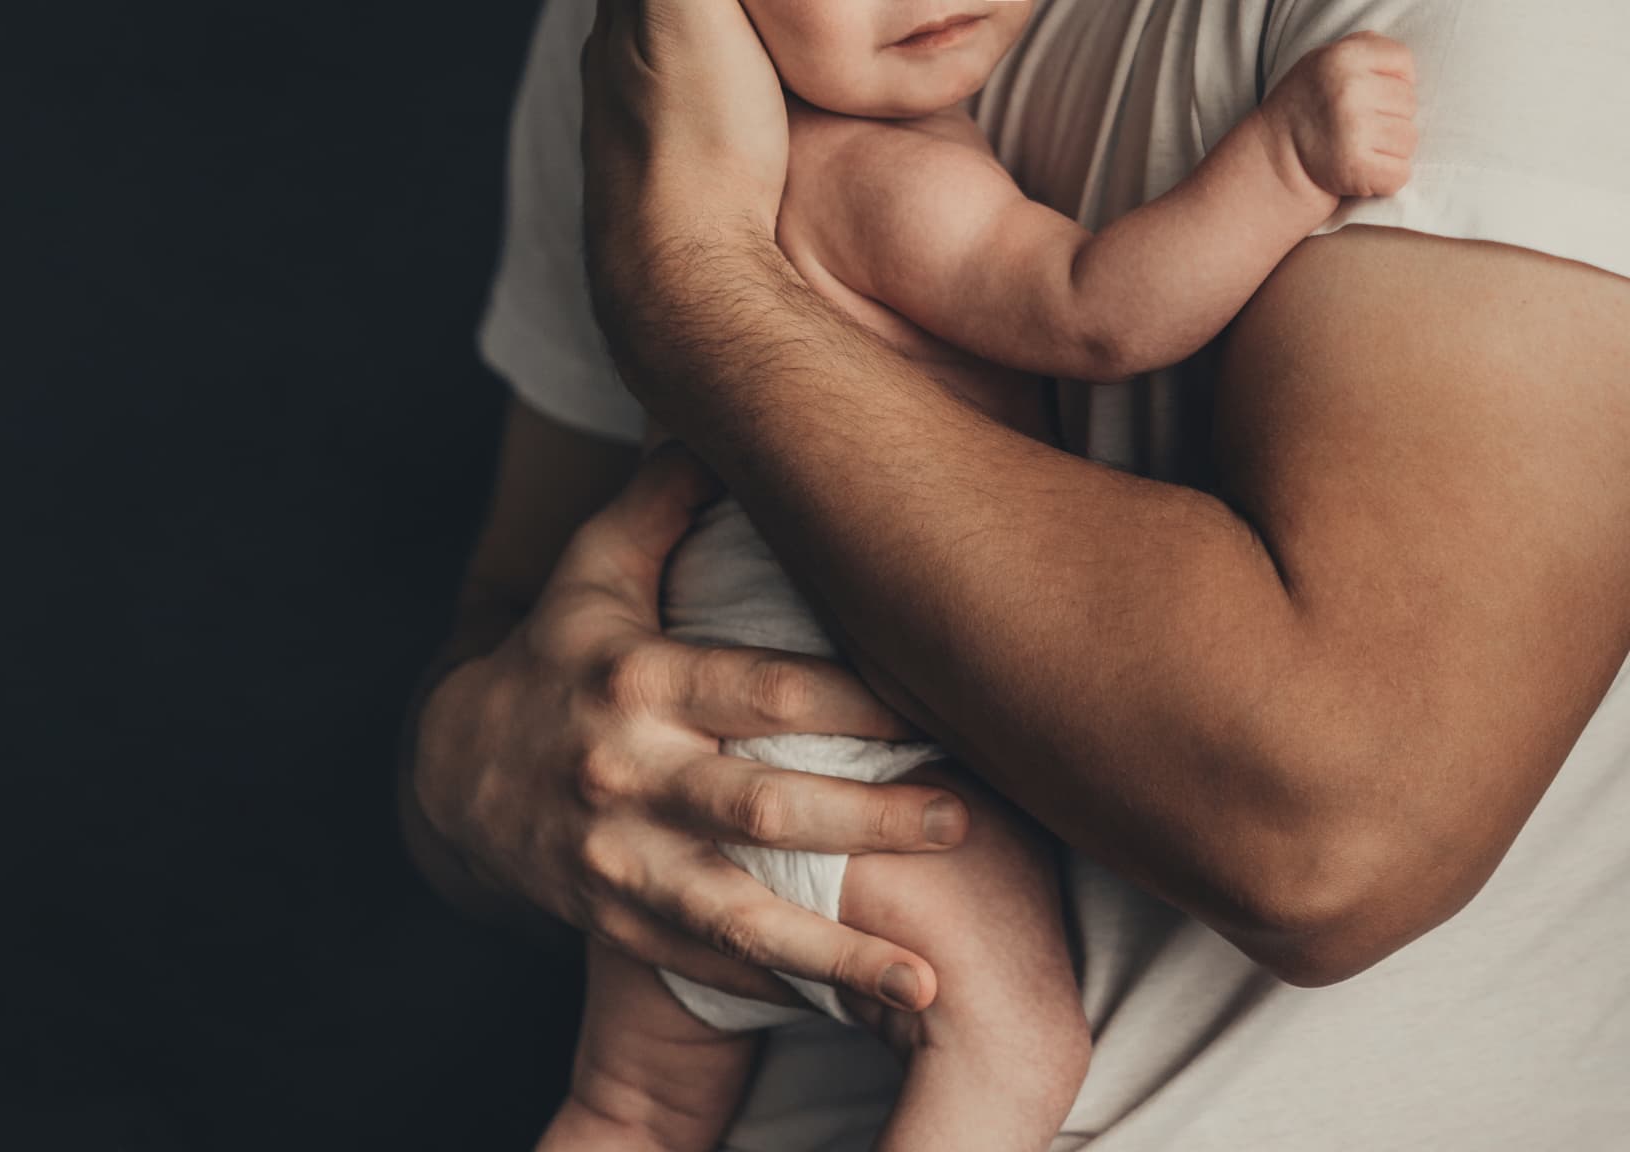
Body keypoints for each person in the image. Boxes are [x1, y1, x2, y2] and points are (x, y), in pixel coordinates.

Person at [405, 0, 1630, 1147]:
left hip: (739, 788)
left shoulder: (686, 101)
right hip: (835, 780)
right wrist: (473, 768)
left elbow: (1328, 838)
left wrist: (689, 279)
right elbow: (1096, 312)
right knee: (1009, 1043)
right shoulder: (795, 122)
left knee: (628, 1108)